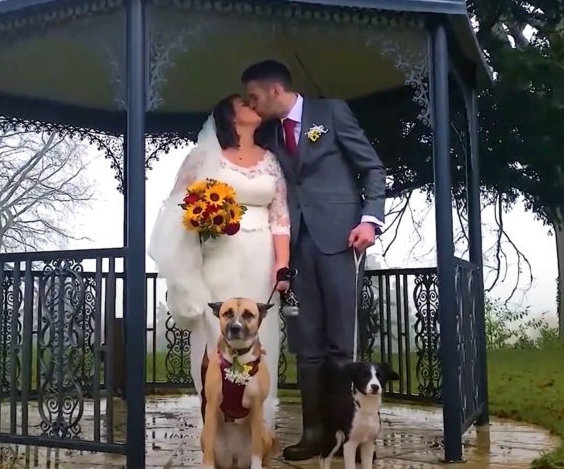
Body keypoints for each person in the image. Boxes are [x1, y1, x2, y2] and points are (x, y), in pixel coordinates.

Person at [241, 59, 386, 461]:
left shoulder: (332, 112)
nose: (253, 105)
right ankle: (313, 434)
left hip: (341, 240)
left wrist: (370, 220)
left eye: (254, 96)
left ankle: (345, 434)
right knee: (307, 348)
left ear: (275, 90)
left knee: (341, 345)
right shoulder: (270, 132)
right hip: (296, 247)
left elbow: (372, 168)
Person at [149, 95, 291, 426]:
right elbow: (178, 206)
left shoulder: (271, 160)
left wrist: (282, 263)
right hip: (219, 256)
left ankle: (256, 422)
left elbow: (280, 216)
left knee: (259, 329)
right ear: (229, 115)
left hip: (261, 258)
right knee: (216, 330)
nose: (253, 104)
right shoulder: (203, 158)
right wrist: (203, 218)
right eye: (244, 102)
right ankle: (215, 417)